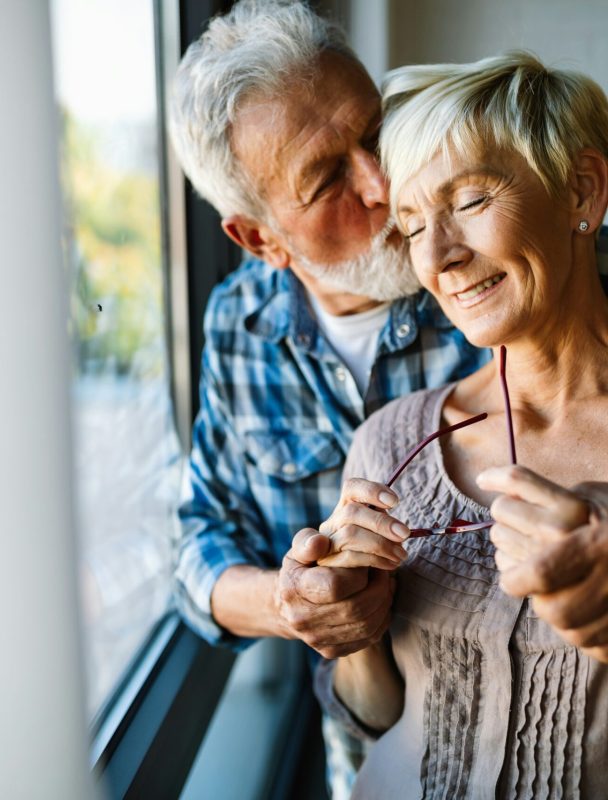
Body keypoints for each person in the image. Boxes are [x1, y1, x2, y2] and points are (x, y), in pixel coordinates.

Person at [166, 1, 492, 791]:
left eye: (373, 134)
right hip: (371, 763)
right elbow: (198, 545)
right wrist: (292, 602)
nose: (383, 185)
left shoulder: (506, 263)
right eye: (326, 180)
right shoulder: (239, 328)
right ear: (260, 239)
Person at [314, 52, 608, 798]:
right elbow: (376, 715)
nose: (439, 257)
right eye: (412, 226)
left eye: (471, 200)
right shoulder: (388, 443)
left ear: (583, 188)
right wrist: (352, 629)